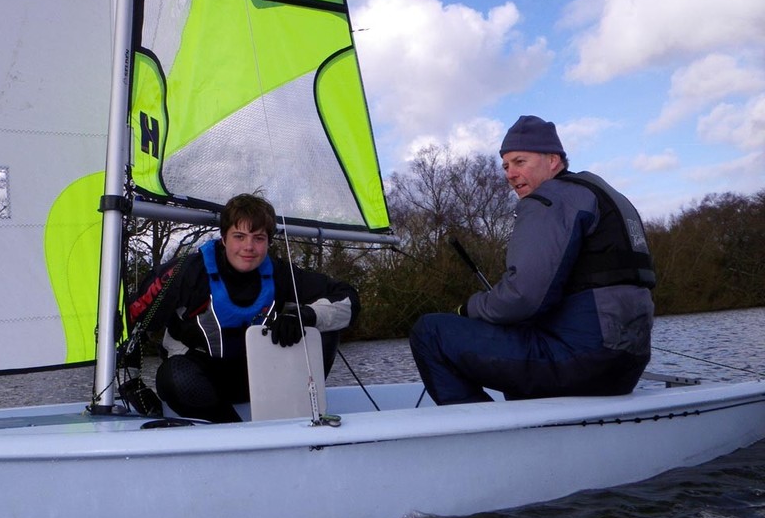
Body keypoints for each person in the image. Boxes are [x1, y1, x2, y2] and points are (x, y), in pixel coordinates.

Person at [409, 115, 655, 405]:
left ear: (553, 160)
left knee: (430, 332)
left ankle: (486, 439)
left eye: (520, 162)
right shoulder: (601, 193)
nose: (510, 174)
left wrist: (470, 308)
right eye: (505, 166)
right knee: (520, 332)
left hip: (582, 363)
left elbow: (522, 296)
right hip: (626, 366)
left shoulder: (549, 199)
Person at [126, 193, 360, 422]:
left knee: (324, 325)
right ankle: (232, 429)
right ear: (224, 238)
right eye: (239, 236)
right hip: (201, 379)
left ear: (269, 241)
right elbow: (129, 319)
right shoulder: (185, 273)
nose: (248, 247)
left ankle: (291, 424)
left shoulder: (280, 274)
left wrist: (304, 316)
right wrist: (131, 383)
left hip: (259, 377)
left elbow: (348, 298)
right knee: (173, 377)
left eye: (258, 238)